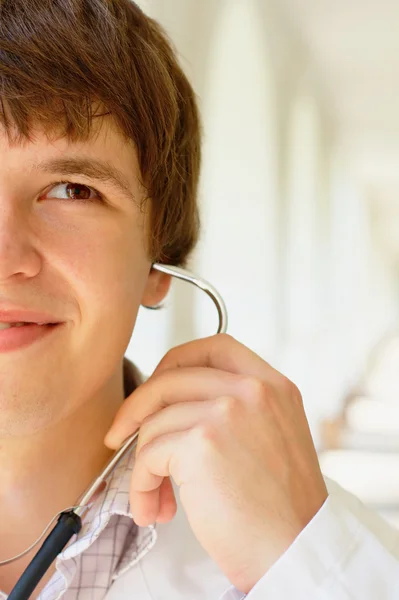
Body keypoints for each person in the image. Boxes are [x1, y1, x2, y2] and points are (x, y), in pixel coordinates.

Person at [0, 1, 398, 599]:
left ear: (161, 259)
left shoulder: (301, 549)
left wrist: (303, 569)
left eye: (70, 189)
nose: (7, 256)